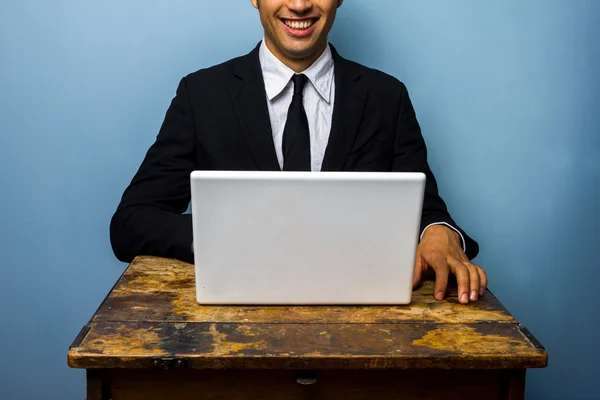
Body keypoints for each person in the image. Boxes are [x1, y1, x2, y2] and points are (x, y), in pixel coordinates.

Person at [110, 0, 488, 304]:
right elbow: (130, 222)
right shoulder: (201, 95)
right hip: (234, 326)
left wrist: (439, 230)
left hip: (362, 323)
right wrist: (221, 234)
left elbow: (426, 206)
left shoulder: (387, 97)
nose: (300, 4)